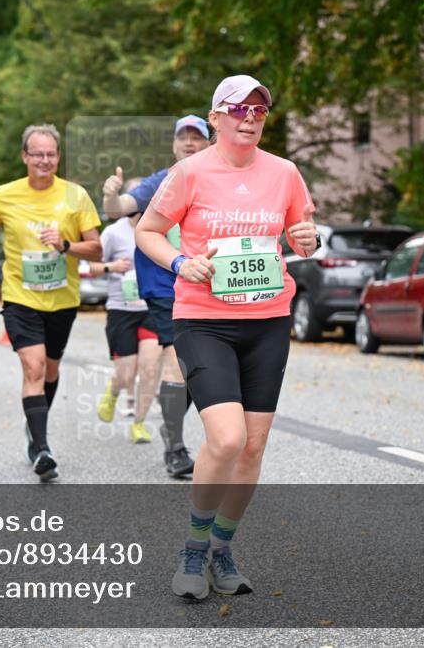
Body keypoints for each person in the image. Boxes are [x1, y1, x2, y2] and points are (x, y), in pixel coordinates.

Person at [134, 75, 319, 599]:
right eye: (239, 109)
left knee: (254, 446)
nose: (250, 117)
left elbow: (302, 238)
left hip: (267, 320)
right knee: (228, 437)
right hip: (204, 320)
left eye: (260, 110)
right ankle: (192, 550)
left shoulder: (284, 173)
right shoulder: (188, 172)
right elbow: (147, 231)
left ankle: (222, 547)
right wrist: (179, 262)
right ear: (216, 117)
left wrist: (308, 239)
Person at [0, 124, 102, 482]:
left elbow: (95, 247)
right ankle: (42, 448)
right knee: (32, 368)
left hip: (62, 298)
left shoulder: (76, 196)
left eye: (51, 154)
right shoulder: (5, 194)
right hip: (20, 295)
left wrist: (66, 246)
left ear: (58, 157)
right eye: (37, 154)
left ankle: (34, 427)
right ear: (24, 157)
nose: (44, 160)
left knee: (49, 370)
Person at [102, 115, 212, 477]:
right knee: (179, 360)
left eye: (197, 137)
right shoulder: (162, 180)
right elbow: (119, 209)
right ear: (174, 144)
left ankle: (170, 425)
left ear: (210, 142)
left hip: (211, 285)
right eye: (184, 137)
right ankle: (176, 448)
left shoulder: (219, 179)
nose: (190, 143)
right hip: (166, 286)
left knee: (199, 367)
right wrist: (110, 196)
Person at [89, 195, 162, 445]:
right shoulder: (112, 233)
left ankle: (139, 424)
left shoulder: (162, 230)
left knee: (150, 369)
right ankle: (113, 391)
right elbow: (91, 267)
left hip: (152, 308)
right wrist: (112, 267)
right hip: (121, 310)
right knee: (126, 372)